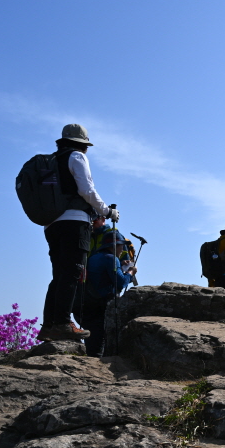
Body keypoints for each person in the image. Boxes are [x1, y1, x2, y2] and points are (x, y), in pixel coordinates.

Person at [37, 124, 120, 342]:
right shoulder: (77, 157)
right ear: (83, 144)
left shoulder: (50, 162)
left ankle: (48, 326)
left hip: (51, 224)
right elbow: (87, 190)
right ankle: (63, 324)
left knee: (59, 275)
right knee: (72, 273)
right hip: (74, 222)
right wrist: (107, 211)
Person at [79, 229, 136, 356]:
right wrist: (130, 273)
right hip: (100, 306)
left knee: (92, 342)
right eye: (121, 246)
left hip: (86, 305)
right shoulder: (112, 259)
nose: (122, 249)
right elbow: (121, 282)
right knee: (99, 343)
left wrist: (120, 265)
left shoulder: (93, 257)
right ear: (115, 246)